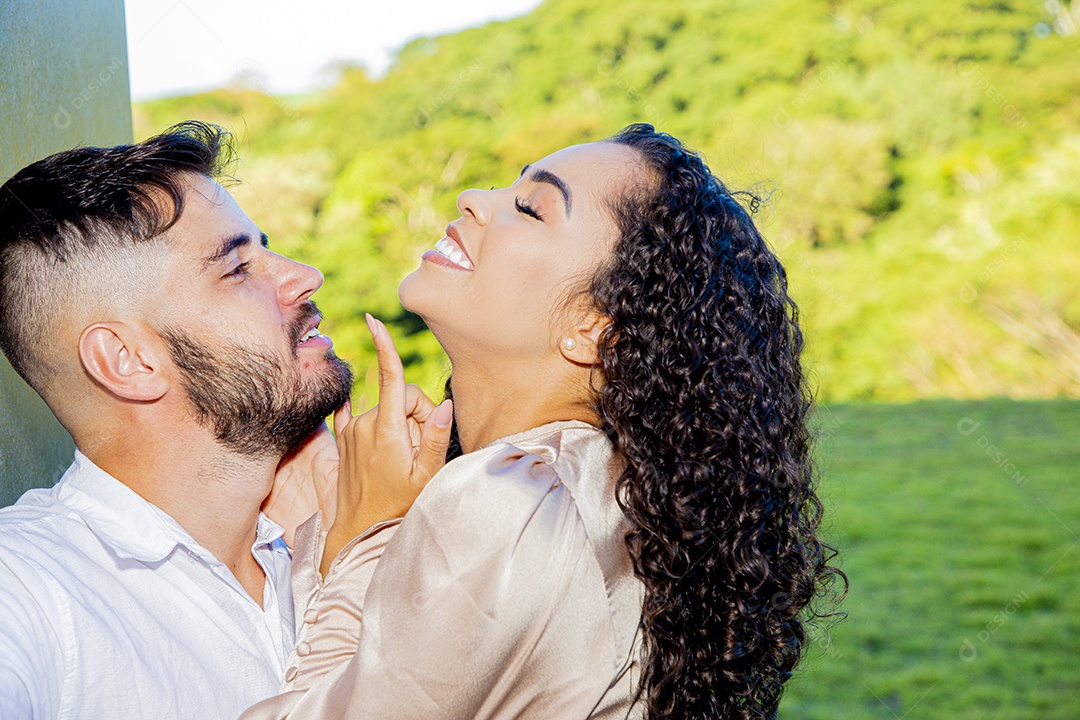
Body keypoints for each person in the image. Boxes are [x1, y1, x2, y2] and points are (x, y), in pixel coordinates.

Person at [244, 124, 844, 720]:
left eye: (531, 209)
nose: (473, 200)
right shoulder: (618, 496)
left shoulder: (505, 499)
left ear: (594, 331)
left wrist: (362, 539)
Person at [0, 122, 451, 719]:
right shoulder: (26, 590)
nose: (305, 275)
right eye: (237, 268)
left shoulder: (322, 535)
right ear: (130, 362)